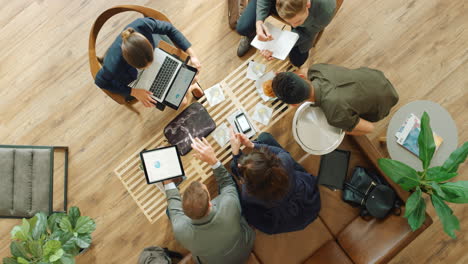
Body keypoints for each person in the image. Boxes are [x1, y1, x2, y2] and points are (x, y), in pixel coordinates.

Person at [163, 137, 255, 264]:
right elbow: (227, 183)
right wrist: (213, 161)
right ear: (211, 203)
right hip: (245, 248)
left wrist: (167, 180)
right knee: (230, 188)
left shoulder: (180, 230)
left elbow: (174, 206)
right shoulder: (229, 205)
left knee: (170, 210)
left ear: (185, 214)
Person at [95, 17, 203, 108]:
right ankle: (189, 87)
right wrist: (134, 92)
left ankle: (189, 87)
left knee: (191, 81)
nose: (150, 67)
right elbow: (100, 81)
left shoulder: (142, 25)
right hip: (137, 79)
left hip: (159, 58)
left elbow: (169, 28)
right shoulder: (114, 65)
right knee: (182, 102)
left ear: (149, 45)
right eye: (145, 66)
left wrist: (192, 55)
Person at [230, 130, 321, 234]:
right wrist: (252, 145)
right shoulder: (285, 162)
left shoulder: (248, 195)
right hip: (310, 206)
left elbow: (240, 174)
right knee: (265, 137)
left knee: (233, 165)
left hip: (284, 219)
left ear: (249, 183)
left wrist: (236, 154)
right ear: (271, 161)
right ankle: (254, 149)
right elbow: (281, 152)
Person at [269, 63, 399, 135]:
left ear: (296, 105)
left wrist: (342, 129)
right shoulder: (317, 70)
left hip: (384, 103)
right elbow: (305, 69)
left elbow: (370, 128)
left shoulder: (335, 116)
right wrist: (284, 79)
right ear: (302, 77)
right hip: (375, 77)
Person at [235, 0, 336, 67]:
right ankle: (252, 35)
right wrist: (259, 22)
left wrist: (279, 46)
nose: (293, 26)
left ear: (307, 4)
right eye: (288, 21)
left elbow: (307, 33)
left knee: (298, 60)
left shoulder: (325, 11)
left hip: (310, 24)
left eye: (298, 21)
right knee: (242, 28)